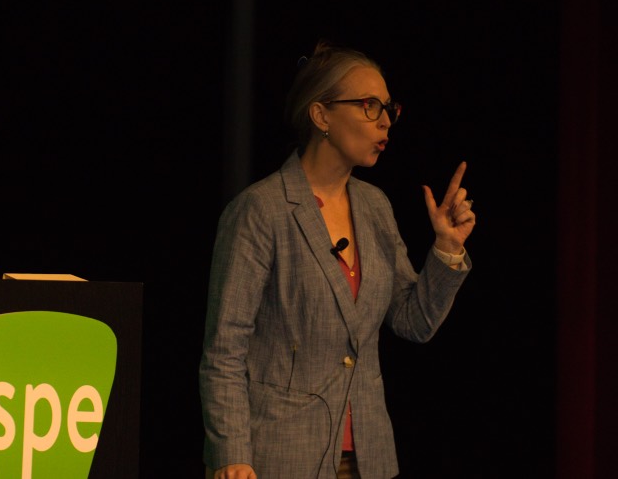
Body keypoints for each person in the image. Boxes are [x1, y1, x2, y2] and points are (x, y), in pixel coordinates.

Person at [198, 39, 476, 479]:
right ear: (321, 114)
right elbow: (224, 350)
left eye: (389, 108)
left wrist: (447, 248)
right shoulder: (261, 210)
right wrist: (232, 452)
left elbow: (414, 321)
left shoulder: (375, 207)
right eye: (370, 106)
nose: (385, 121)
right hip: (279, 457)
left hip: (368, 458)